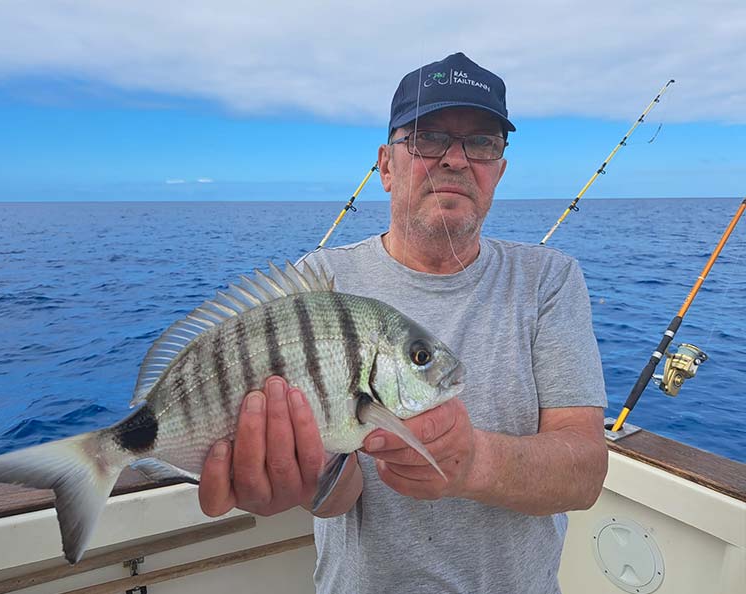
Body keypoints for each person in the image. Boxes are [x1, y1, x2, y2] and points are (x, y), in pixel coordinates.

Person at [197, 52, 609, 594]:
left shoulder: (548, 279)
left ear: (498, 170)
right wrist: (298, 476)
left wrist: (472, 461)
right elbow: (339, 496)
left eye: (482, 142)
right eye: (428, 137)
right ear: (386, 166)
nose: (457, 160)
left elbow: (584, 471)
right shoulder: (320, 280)